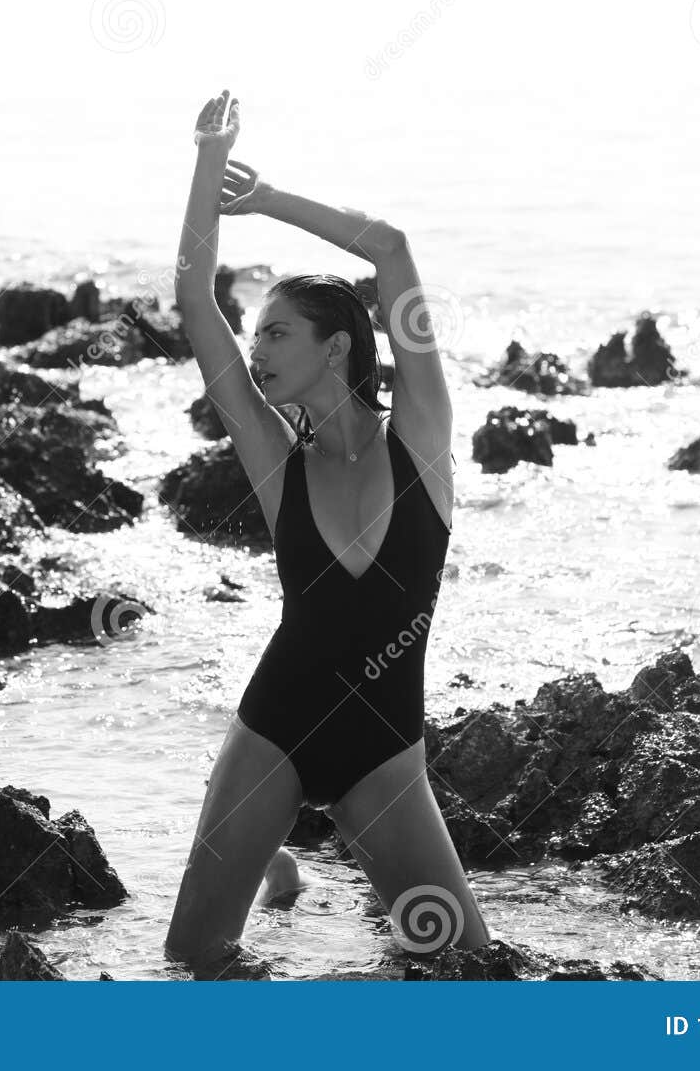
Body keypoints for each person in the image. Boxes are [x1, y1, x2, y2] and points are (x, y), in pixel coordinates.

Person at [163, 90, 491, 973]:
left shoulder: (421, 435)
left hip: (383, 746)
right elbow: (194, 297)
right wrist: (206, 159)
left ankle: (283, 874)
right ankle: (276, 870)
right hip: (278, 725)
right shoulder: (279, 461)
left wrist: (266, 196)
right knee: (194, 960)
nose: (257, 349)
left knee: (468, 970)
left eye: (276, 332)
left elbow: (389, 249)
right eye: (256, 335)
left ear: (336, 346)